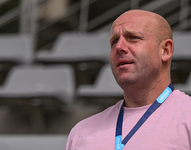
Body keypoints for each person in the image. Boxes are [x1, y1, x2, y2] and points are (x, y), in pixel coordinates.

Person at [65, 9, 191, 150]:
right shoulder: (81, 133)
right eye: (114, 41)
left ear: (165, 50)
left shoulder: (187, 117)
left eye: (133, 37)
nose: (119, 47)